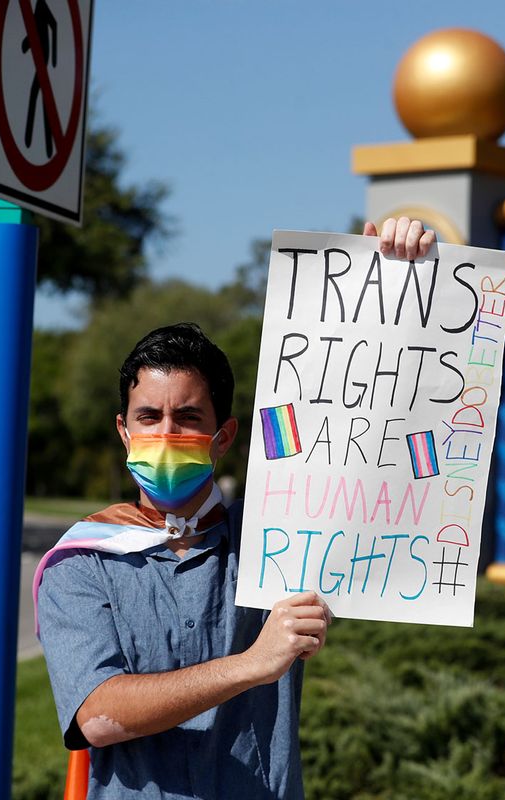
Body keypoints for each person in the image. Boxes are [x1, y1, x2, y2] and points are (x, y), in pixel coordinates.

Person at [35, 218, 436, 799]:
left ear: (224, 437)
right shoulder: (81, 560)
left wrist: (395, 279)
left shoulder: (281, 531)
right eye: (149, 417)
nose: (166, 433)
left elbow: (370, 439)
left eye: (189, 418)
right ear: (124, 431)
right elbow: (97, 715)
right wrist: (254, 663)